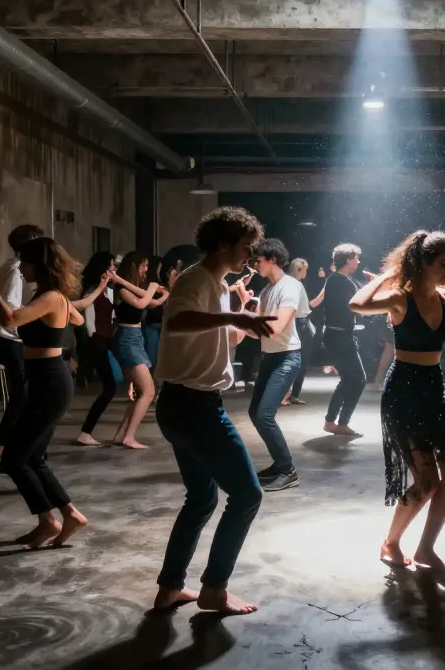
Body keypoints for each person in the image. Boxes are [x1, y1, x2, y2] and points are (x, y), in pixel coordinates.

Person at [349, 230, 445, 574]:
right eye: (443, 264)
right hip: (403, 392)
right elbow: (356, 305)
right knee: (428, 483)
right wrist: (387, 277)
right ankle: (391, 542)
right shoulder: (401, 298)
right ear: (424, 263)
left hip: (433, 391)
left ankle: (426, 549)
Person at [152, 206, 274, 616]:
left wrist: (244, 319)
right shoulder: (196, 279)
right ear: (222, 244)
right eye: (245, 246)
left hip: (185, 405)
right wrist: (233, 314)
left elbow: (225, 340)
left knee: (202, 499)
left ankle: (170, 588)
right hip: (194, 408)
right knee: (247, 495)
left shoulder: (221, 285)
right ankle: (214, 590)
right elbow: (181, 321)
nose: (250, 254)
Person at [0, 237, 90, 549]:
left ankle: (49, 521)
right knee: (33, 457)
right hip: (43, 380)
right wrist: (63, 315)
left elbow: (10, 320)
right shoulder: (47, 296)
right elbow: (78, 318)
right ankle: (68, 516)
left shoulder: (52, 297)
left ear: (39, 265)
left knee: (15, 459)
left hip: (50, 382)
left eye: (26, 263)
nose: (22, 268)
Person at [247, 239, 307, 492]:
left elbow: (277, 328)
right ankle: (280, 465)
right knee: (255, 413)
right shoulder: (266, 291)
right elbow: (260, 332)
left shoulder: (289, 287)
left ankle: (287, 469)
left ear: (272, 259)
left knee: (264, 415)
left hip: (287, 357)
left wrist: (242, 320)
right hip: (270, 357)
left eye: (257, 260)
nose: (253, 265)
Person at [0, 224, 44, 455]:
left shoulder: (12, 267)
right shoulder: (16, 270)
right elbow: (11, 308)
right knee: (22, 393)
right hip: (10, 338)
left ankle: (7, 442)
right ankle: (3, 443)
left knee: (23, 392)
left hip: (9, 338)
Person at [109, 252, 169, 449]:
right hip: (126, 339)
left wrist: (164, 296)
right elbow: (142, 303)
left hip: (134, 339)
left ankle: (121, 435)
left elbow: (150, 302)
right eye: (143, 266)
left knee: (143, 392)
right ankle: (129, 437)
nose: (146, 270)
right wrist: (152, 288)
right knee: (149, 392)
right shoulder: (122, 291)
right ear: (134, 267)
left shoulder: (129, 288)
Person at [320, 243, 368, 435]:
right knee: (359, 379)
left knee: (349, 379)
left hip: (337, 335)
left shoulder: (336, 279)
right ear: (348, 259)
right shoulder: (342, 281)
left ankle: (332, 422)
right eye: (356, 258)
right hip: (340, 337)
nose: (358, 261)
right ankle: (339, 423)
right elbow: (357, 306)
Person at [77, 252, 119, 446]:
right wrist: (94, 342)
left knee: (110, 387)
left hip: (106, 340)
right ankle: (86, 432)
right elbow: (89, 322)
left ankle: (87, 431)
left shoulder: (104, 290)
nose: (114, 270)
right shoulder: (91, 291)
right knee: (109, 387)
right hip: (98, 342)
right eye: (111, 267)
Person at [282, 258, 319, 406]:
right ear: (299, 269)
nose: (307, 271)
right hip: (299, 324)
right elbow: (304, 308)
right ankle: (288, 394)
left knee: (298, 361)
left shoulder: (292, 284)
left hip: (299, 323)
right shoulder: (295, 285)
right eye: (305, 269)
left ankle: (293, 394)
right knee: (299, 361)